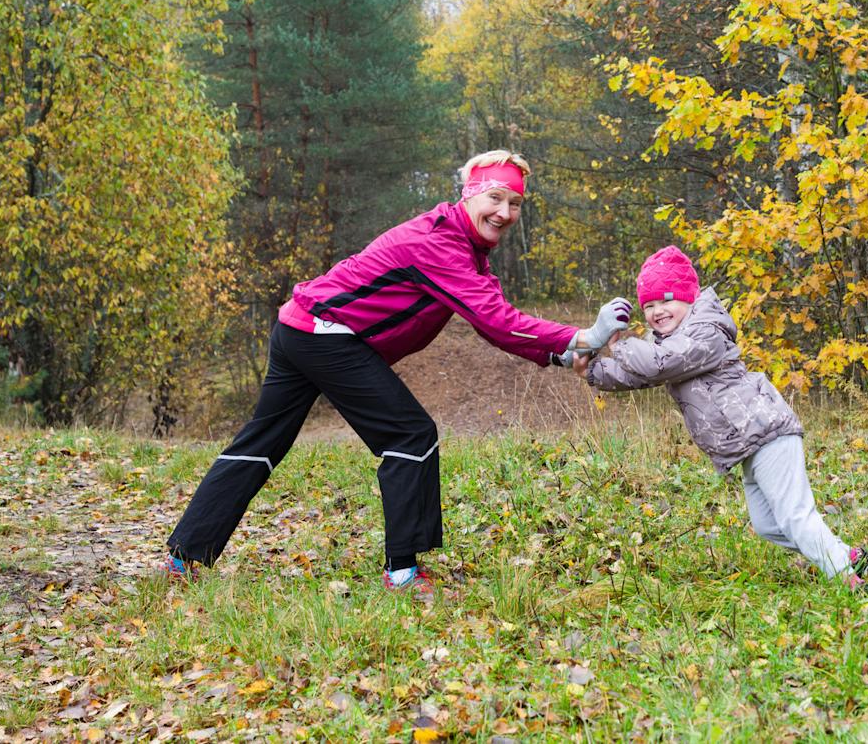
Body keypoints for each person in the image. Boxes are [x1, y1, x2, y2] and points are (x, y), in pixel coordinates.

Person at [164, 150, 632, 593]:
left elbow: (492, 322)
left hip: (300, 327)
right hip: (325, 334)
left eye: (514, 203)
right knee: (410, 436)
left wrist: (563, 354)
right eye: (495, 198)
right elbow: (496, 320)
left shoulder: (464, 250)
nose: (505, 212)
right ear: (469, 195)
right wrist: (583, 336)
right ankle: (403, 571)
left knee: (263, 441)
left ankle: (186, 556)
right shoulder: (440, 245)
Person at [570, 246, 868, 589]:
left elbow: (658, 362)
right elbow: (637, 374)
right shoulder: (668, 343)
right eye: (649, 306)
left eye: (666, 300)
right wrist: (590, 371)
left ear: (688, 297)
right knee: (768, 526)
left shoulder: (706, 331)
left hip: (767, 432)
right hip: (746, 446)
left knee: (794, 516)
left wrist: (615, 342)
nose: (657, 312)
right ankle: (845, 555)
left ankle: (848, 580)